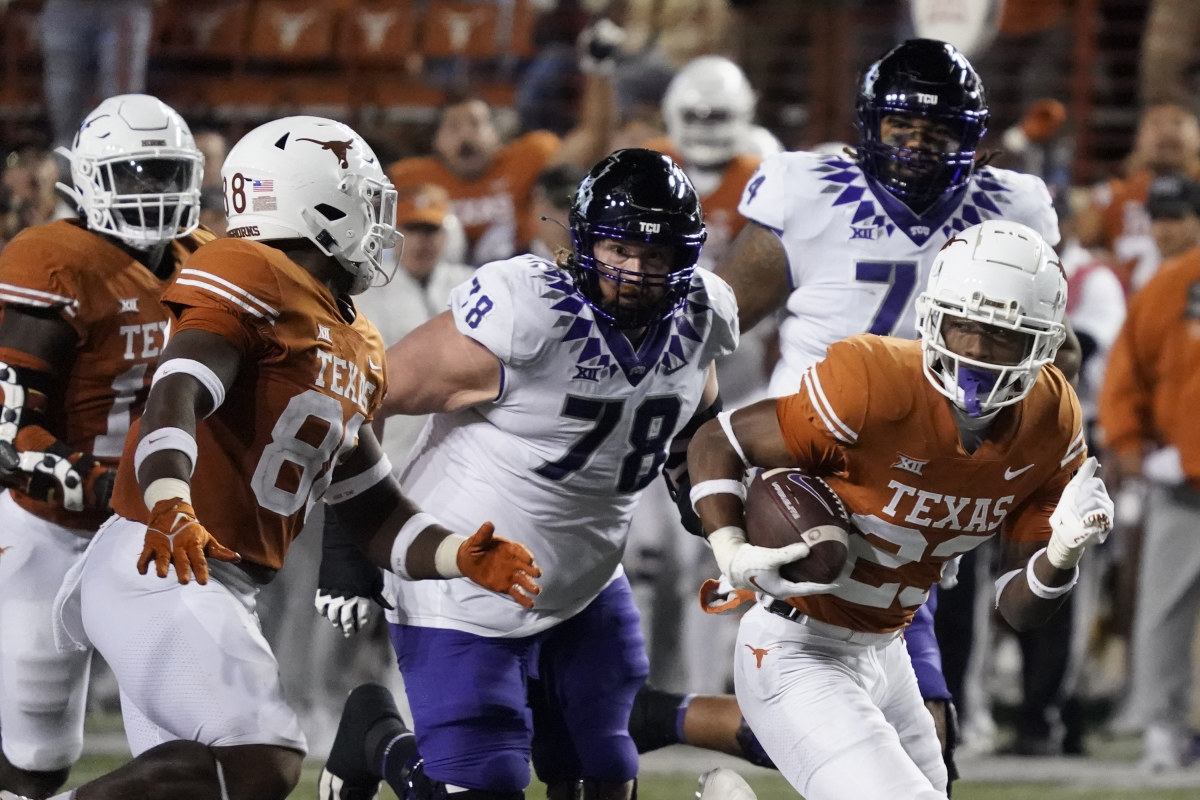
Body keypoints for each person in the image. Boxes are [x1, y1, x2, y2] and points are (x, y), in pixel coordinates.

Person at [40, 115, 540, 800]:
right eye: (366, 198)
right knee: (267, 756)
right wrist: (169, 501)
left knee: (206, 783)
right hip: (163, 556)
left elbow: (373, 508)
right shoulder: (251, 269)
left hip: (218, 582)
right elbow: (177, 390)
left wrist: (462, 555)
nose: (379, 218)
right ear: (319, 203)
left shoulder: (356, 337)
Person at [319, 148, 739, 800]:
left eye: (656, 259)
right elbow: (359, 402)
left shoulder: (701, 317)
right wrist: (351, 547)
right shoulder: (526, 314)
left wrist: (713, 509)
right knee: (484, 786)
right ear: (585, 240)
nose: (635, 273)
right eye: (621, 250)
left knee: (605, 775)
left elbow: (693, 420)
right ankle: (377, 739)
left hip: (587, 579)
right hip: (461, 574)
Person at [688, 219, 1114, 799]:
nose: (975, 350)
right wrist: (728, 543)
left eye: (1001, 335)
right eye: (962, 324)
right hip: (795, 648)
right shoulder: (874, 383)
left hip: (887, 650)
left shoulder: (1052, 421)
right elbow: (720, 441)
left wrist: (1060, 555)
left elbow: (1019, 610)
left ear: (1042, 343)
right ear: (934, 316)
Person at [0, 93, 207, 800]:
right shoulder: (50, 258)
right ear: (84, 179)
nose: (150, 191)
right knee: (35, 753)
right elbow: (6, 433)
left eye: (162, 172)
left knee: (198, 737)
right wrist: (107, 484)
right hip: (51, 529)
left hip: (157, 530)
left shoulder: (207, 261)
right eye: (132, 174)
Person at [1098, 173, 1200, 771]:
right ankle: (1163, 725)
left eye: (1177, 217)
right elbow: (1124, 378)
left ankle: (1167, 725)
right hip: (1180, 483)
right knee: (1161, 610)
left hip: (1182, 468)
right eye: (1157, 218)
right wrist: (1134, 447)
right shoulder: (1157, 288)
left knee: (1162, 609)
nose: (1165, 229)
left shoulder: (1167, 285)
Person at [387, 68, 616, 267]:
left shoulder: (528, 157)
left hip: (523, 274)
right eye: (454, 127)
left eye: (476, 124)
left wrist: (599, 67)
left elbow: (593, 136)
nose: (466, 135)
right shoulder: (410, 178)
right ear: (435, 141)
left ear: (496, 134)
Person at [1075, 103, 1200, 293]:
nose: (1166, 132)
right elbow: (1079, 243)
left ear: (1197, 136)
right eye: (1156, 124)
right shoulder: (1114, 194)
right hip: (1130, 304)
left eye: (1177, 123)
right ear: (1139, 139)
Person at [40, 0, 157, 151]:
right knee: (65, 101)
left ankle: (120, 162)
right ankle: (66, 164)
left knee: (121, 105)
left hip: (123, 7)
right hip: (65, 8)